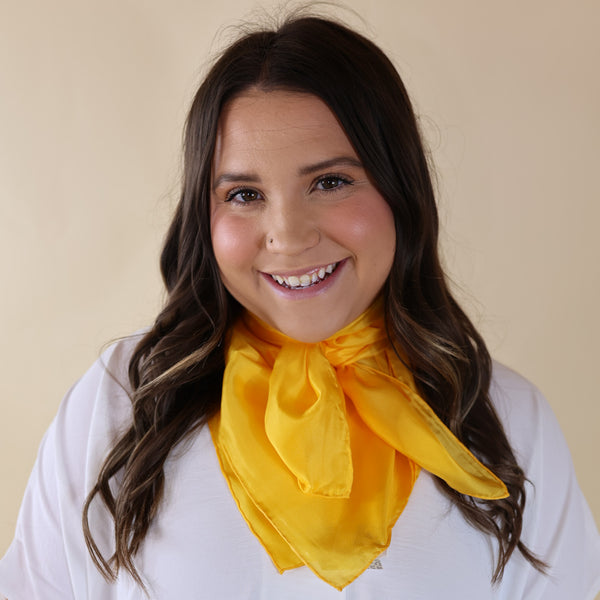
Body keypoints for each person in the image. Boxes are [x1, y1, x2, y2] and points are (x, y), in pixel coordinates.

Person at [1, 13, 599, 600]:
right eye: (244, 194)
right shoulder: (122, 402)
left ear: (400, 188)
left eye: (331, 182)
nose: (287, 235)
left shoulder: (510, 422)